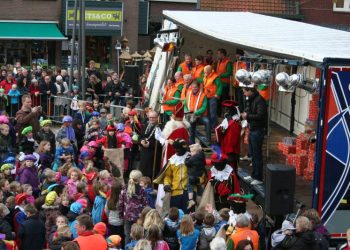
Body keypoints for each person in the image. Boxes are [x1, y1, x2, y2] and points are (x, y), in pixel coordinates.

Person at [154, 138, 189, 212]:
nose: (176, 150)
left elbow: (197, 173)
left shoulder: (190, 158)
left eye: (178, 148)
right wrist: (166, 184)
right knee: (175, 215)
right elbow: (168, 175)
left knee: (187, 215)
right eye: (175, 148)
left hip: (188, 192)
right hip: (175, 192)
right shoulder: (172, 160)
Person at [241, 86, 267, 185]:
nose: (244, 94)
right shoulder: (251, 99)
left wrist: (247, 116)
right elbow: (248, 109)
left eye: (245, 92)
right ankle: (253, 175)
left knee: (257, 155)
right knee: (253, 154)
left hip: (258, 130)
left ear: (250, 91)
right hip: (252, 129)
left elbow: (260, 116)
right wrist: (246, 113)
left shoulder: (260, 101)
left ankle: (258, 177)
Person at [215, 100, 241, 171]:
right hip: (225, 148)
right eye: (225, 109)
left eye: (227, 109)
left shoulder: (234, 123)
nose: (225, 111)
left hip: (231, 150)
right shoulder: (228, 120)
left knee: (231, 168)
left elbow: (233, 140)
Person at [184, 80, 210, 144]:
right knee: (191, 129)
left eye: (195, 87)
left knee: (207, 122)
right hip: (190, 116)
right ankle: (192, 143)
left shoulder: (203, 95)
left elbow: (204, 107)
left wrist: (196, 113)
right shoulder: (188, 94)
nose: (194, 88)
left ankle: (208, 140)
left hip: (200, 116)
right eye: (193, 87)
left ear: (198, 87)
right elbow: (185, 104)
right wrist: (186, 110)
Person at [139, 110, 162, 180]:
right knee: (143, 173)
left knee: (152, 174)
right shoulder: (145, 125)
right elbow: (141, 136)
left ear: (157, 117)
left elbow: (161, 141)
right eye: (150, 117)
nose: (151, 119)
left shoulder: (160, 127)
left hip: (154, 154)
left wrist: (150, 144)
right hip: (144, 153)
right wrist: (141, 141)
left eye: (153, 117)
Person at [185, 143, 206, 209]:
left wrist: (187, 157)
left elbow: (187, 163)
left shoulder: (193, 158)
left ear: (196, 151)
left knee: (189, 187)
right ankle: (200, 203)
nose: (190, 153)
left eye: (191, 151)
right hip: (199, 176)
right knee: (199, 190)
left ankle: (191, 200)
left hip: (192, 175)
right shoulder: (202, 156)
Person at [203, 65, 222, 129]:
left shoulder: (215, 77)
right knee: (207, 113)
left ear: (209, 71)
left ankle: (213, 127)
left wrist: (217, 94)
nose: (204, 72)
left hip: (213, 97)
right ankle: (208, 126)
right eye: (204, 71)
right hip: (206, 96)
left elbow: (220, 86)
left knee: (212, 113)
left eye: (205, 71)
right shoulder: (205, 76)